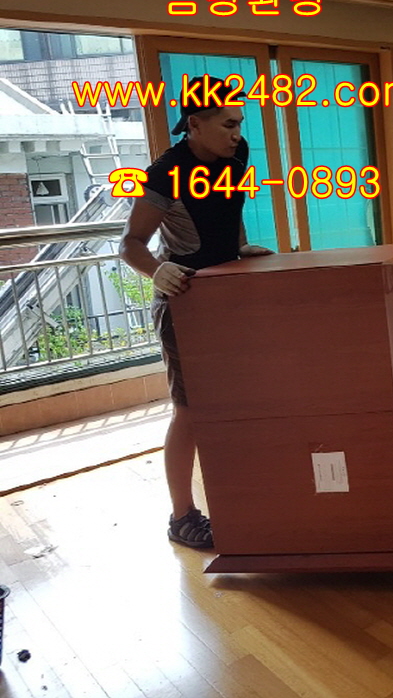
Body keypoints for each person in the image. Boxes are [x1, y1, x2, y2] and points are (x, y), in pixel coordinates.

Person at [119, 76, 272, 548]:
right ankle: (182, 517)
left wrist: (239, 245)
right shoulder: (165, 173)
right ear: (195, 124)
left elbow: (230, 205)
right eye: (227, 124)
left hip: (228, 294)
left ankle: (245, 495)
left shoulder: (237, 155)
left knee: (234, 400)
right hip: (183, 301)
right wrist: (157, 270)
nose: (237, 133)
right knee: (189, 410)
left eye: (239, 123)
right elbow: (130, 244)